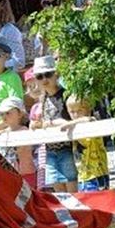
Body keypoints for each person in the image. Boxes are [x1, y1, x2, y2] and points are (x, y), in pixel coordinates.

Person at [28, 56, 78, 193]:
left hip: (68, 148)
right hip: (50, 149)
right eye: (39, 76)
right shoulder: (42, 98)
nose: (44, 79)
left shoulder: (65, 95)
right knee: (59, 192)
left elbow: (70, 121)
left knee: (72, 188)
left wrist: (48, 123)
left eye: (48, 75)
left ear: (56, 75)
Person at [63, 95, 110, 192]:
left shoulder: (91, 124)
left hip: (97, 175)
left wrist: (72, 123)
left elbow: (89, 119)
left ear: (88, 110)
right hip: (83, 176)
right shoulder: (74, 128)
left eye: (79, 111)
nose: (75, 115)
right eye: (72, 112)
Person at [0, 97, 36, 188]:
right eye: (2, 114)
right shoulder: (2, 133)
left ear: (20, 113)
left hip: (26, 173)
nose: (4, 116)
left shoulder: (24, 130)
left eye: (8, 113)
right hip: (10, 174)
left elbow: (22, 150)